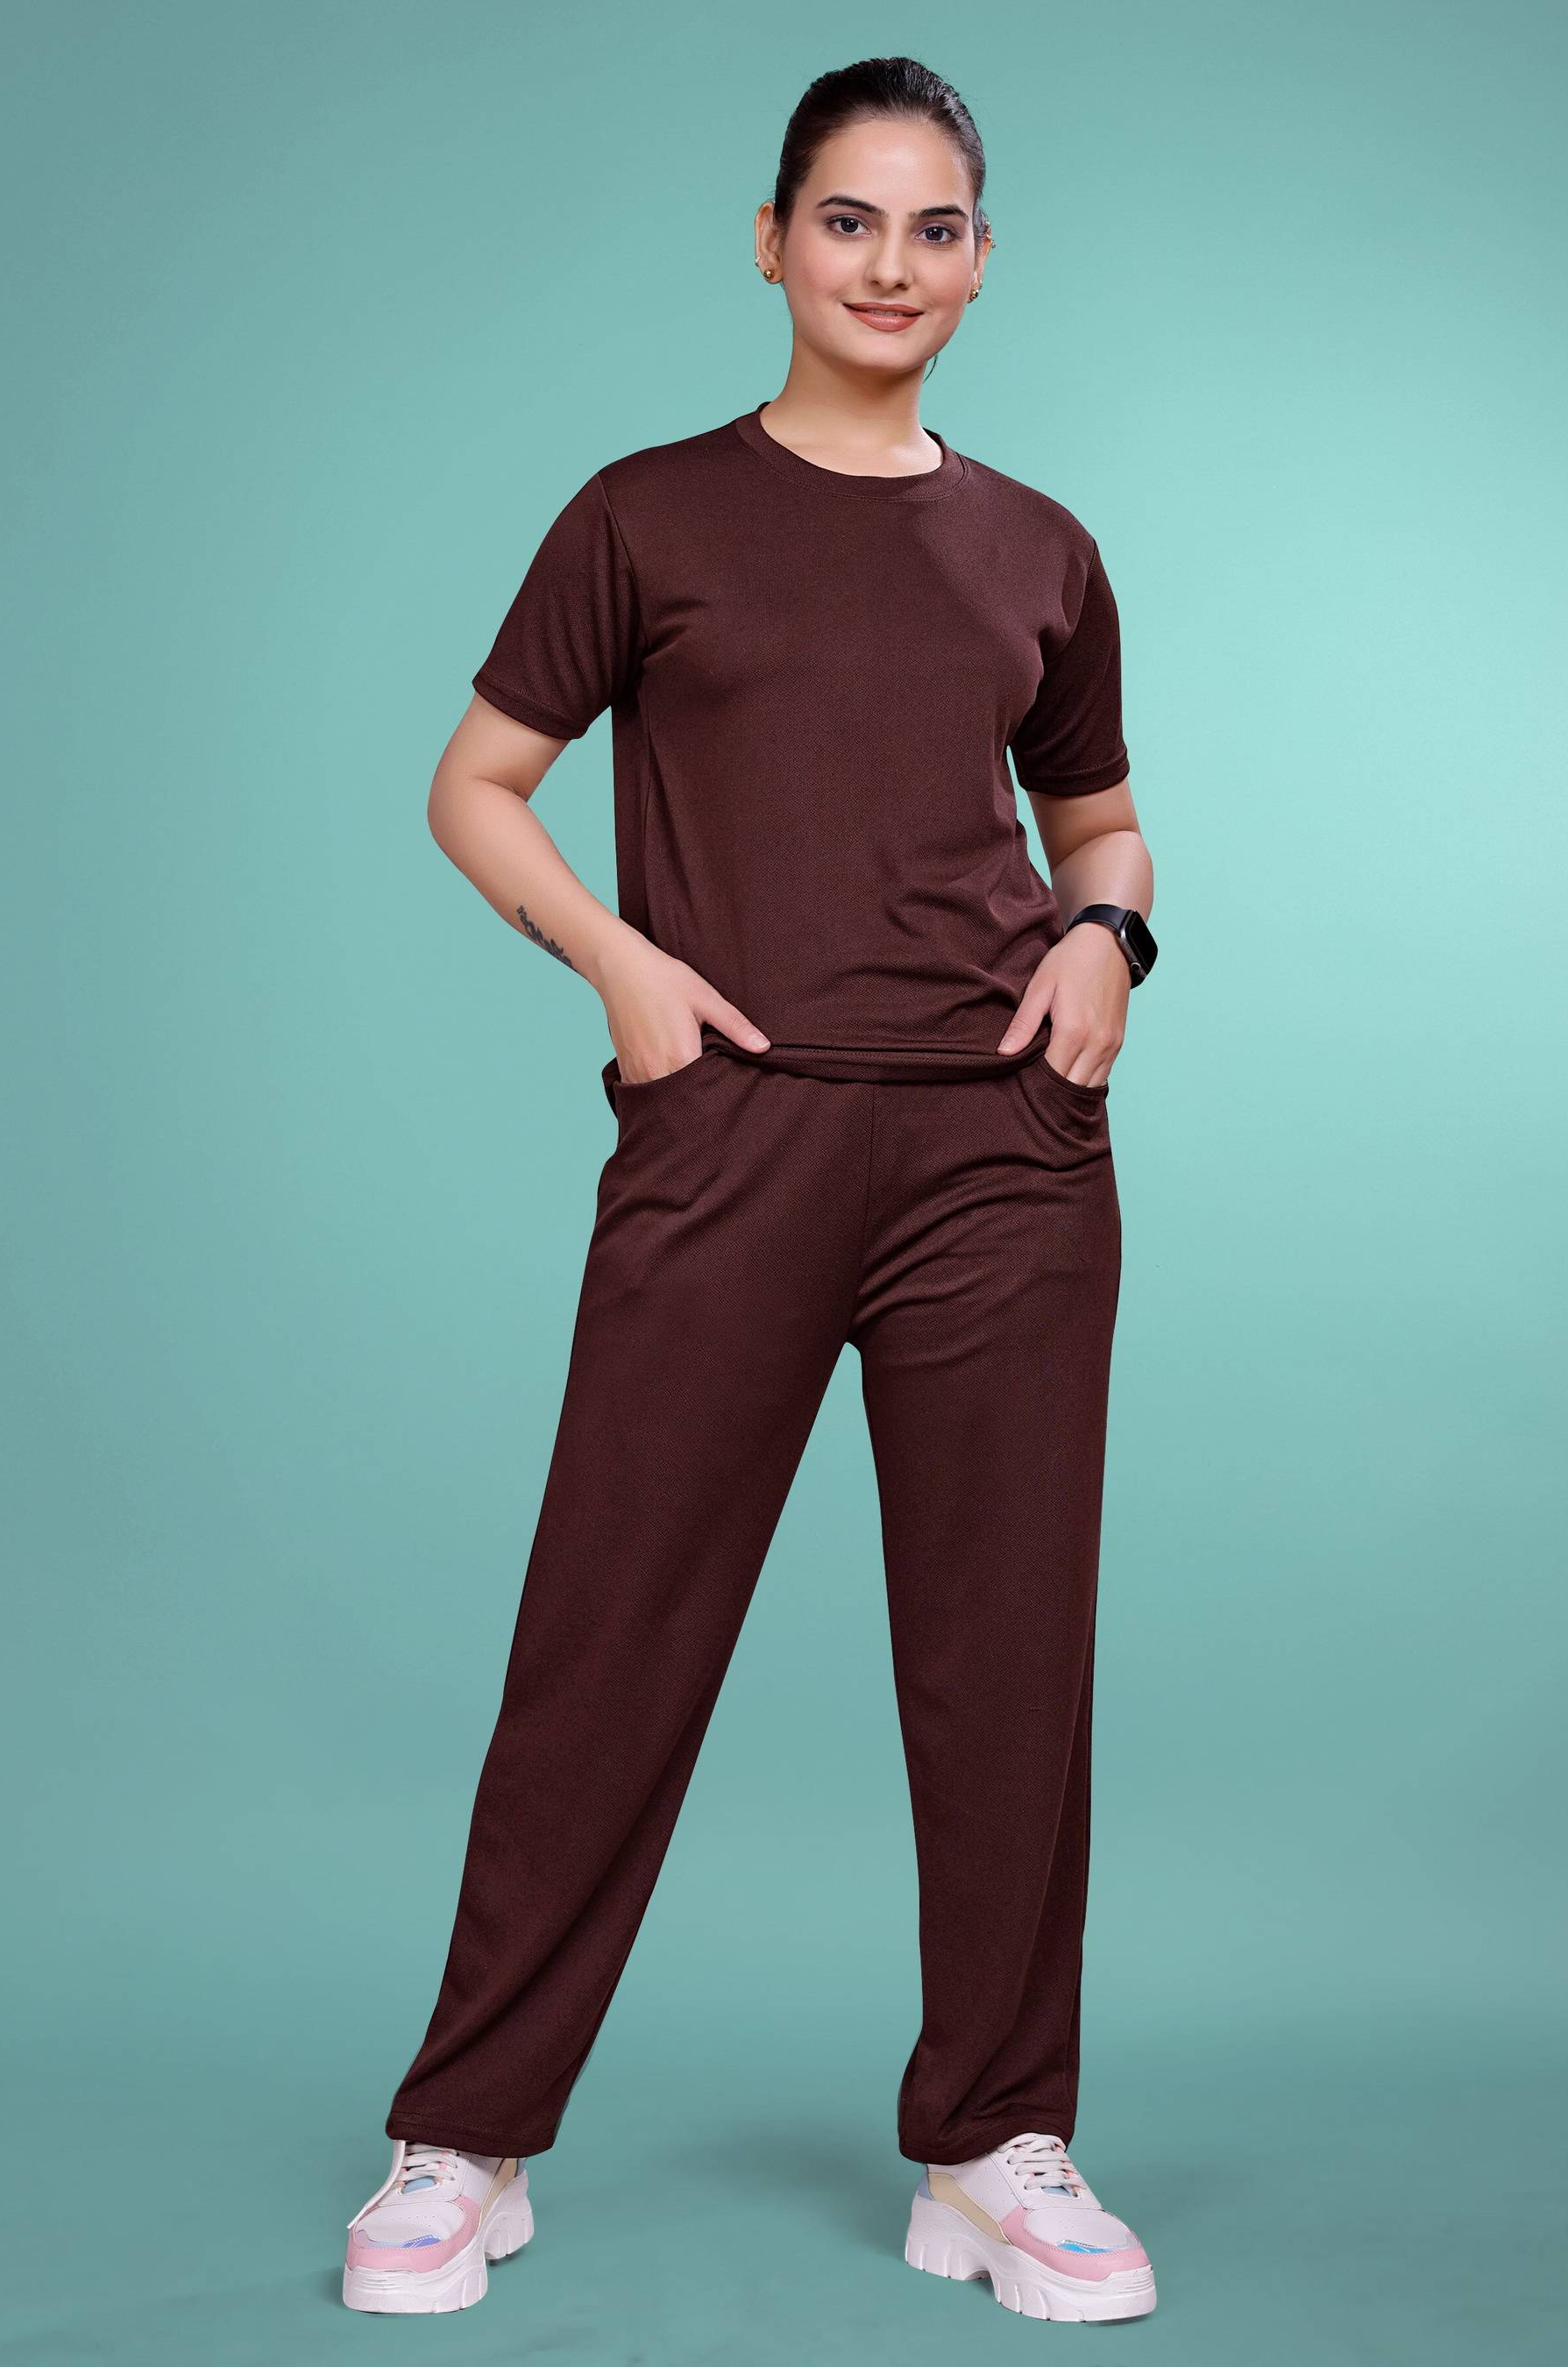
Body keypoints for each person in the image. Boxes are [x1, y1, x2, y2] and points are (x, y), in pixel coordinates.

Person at [340, 53, 1160, 2328]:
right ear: (774, 242)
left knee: (1008, 1661)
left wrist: (1108, 943)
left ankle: (995, 2143)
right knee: (608, 1633)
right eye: (848, 221)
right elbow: (477, 783)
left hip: (1002, 1148)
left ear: (979, 262)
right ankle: (465, 2136)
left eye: (934, 227)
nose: (890, 265)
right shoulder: (645, 518)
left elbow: (1097, 824)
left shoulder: (1040, 546)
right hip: (733, 1127)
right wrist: (623, 970)